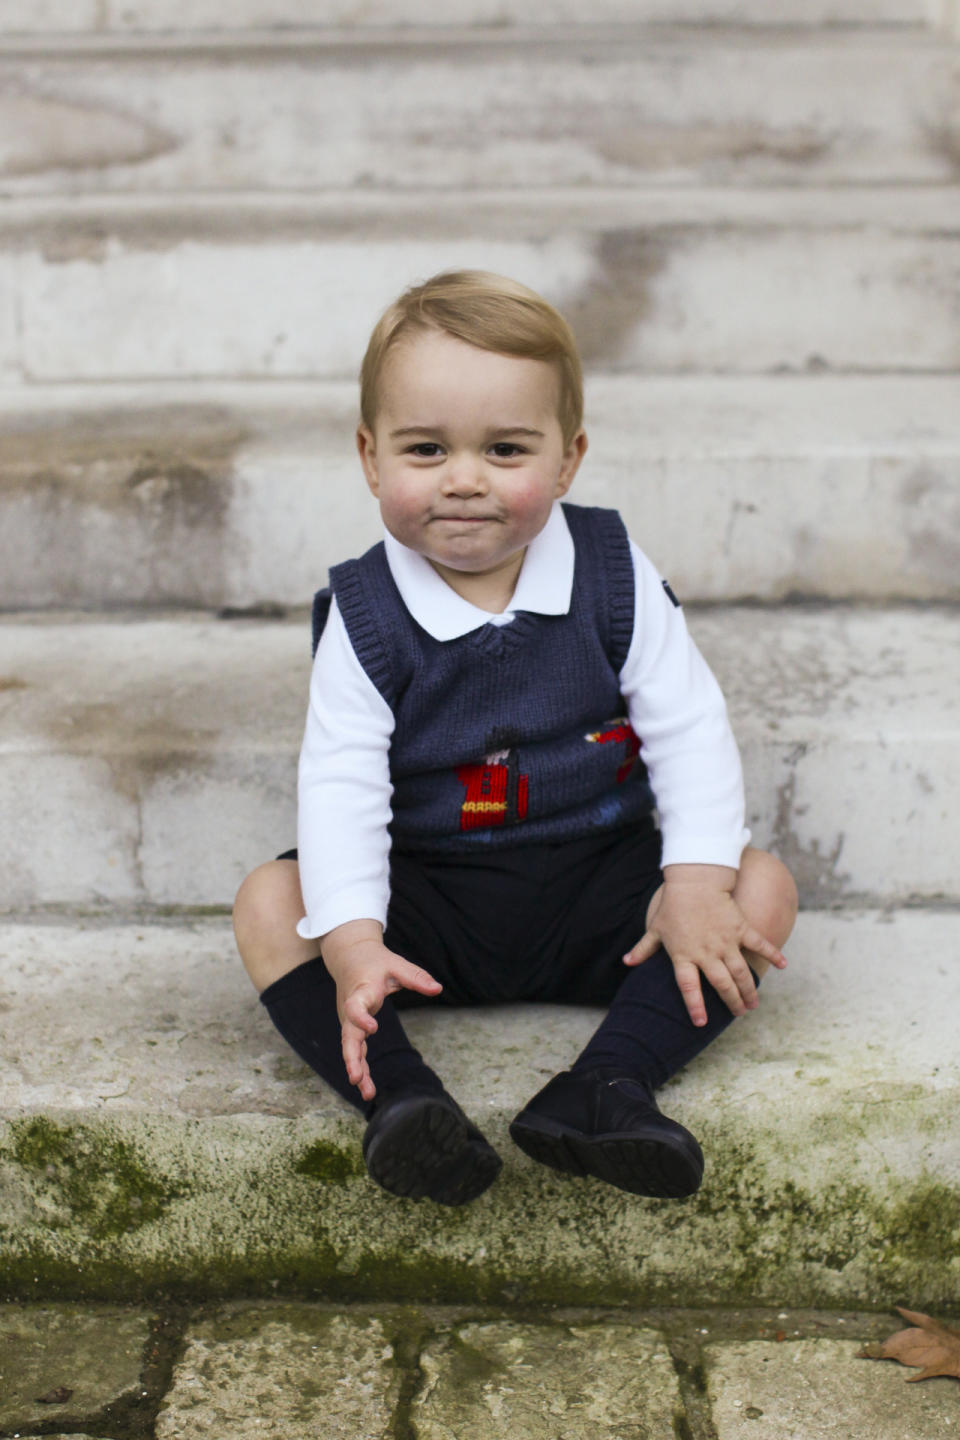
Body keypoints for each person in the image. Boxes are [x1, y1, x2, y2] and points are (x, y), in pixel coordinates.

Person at [233, 269, 798, 1208]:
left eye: (504, 449)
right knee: (269, 903)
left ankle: (607, 1086)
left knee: (761, 884)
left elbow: (688, 724)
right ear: (371, 460)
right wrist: (355, 938)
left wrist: (694, 887)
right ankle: (406, 1108)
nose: (464, 480)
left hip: (598, 887)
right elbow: (339, 782)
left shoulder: (613, 573)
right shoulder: (367, 616)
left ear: (568, 459)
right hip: (431, 902)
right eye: (425, 449)